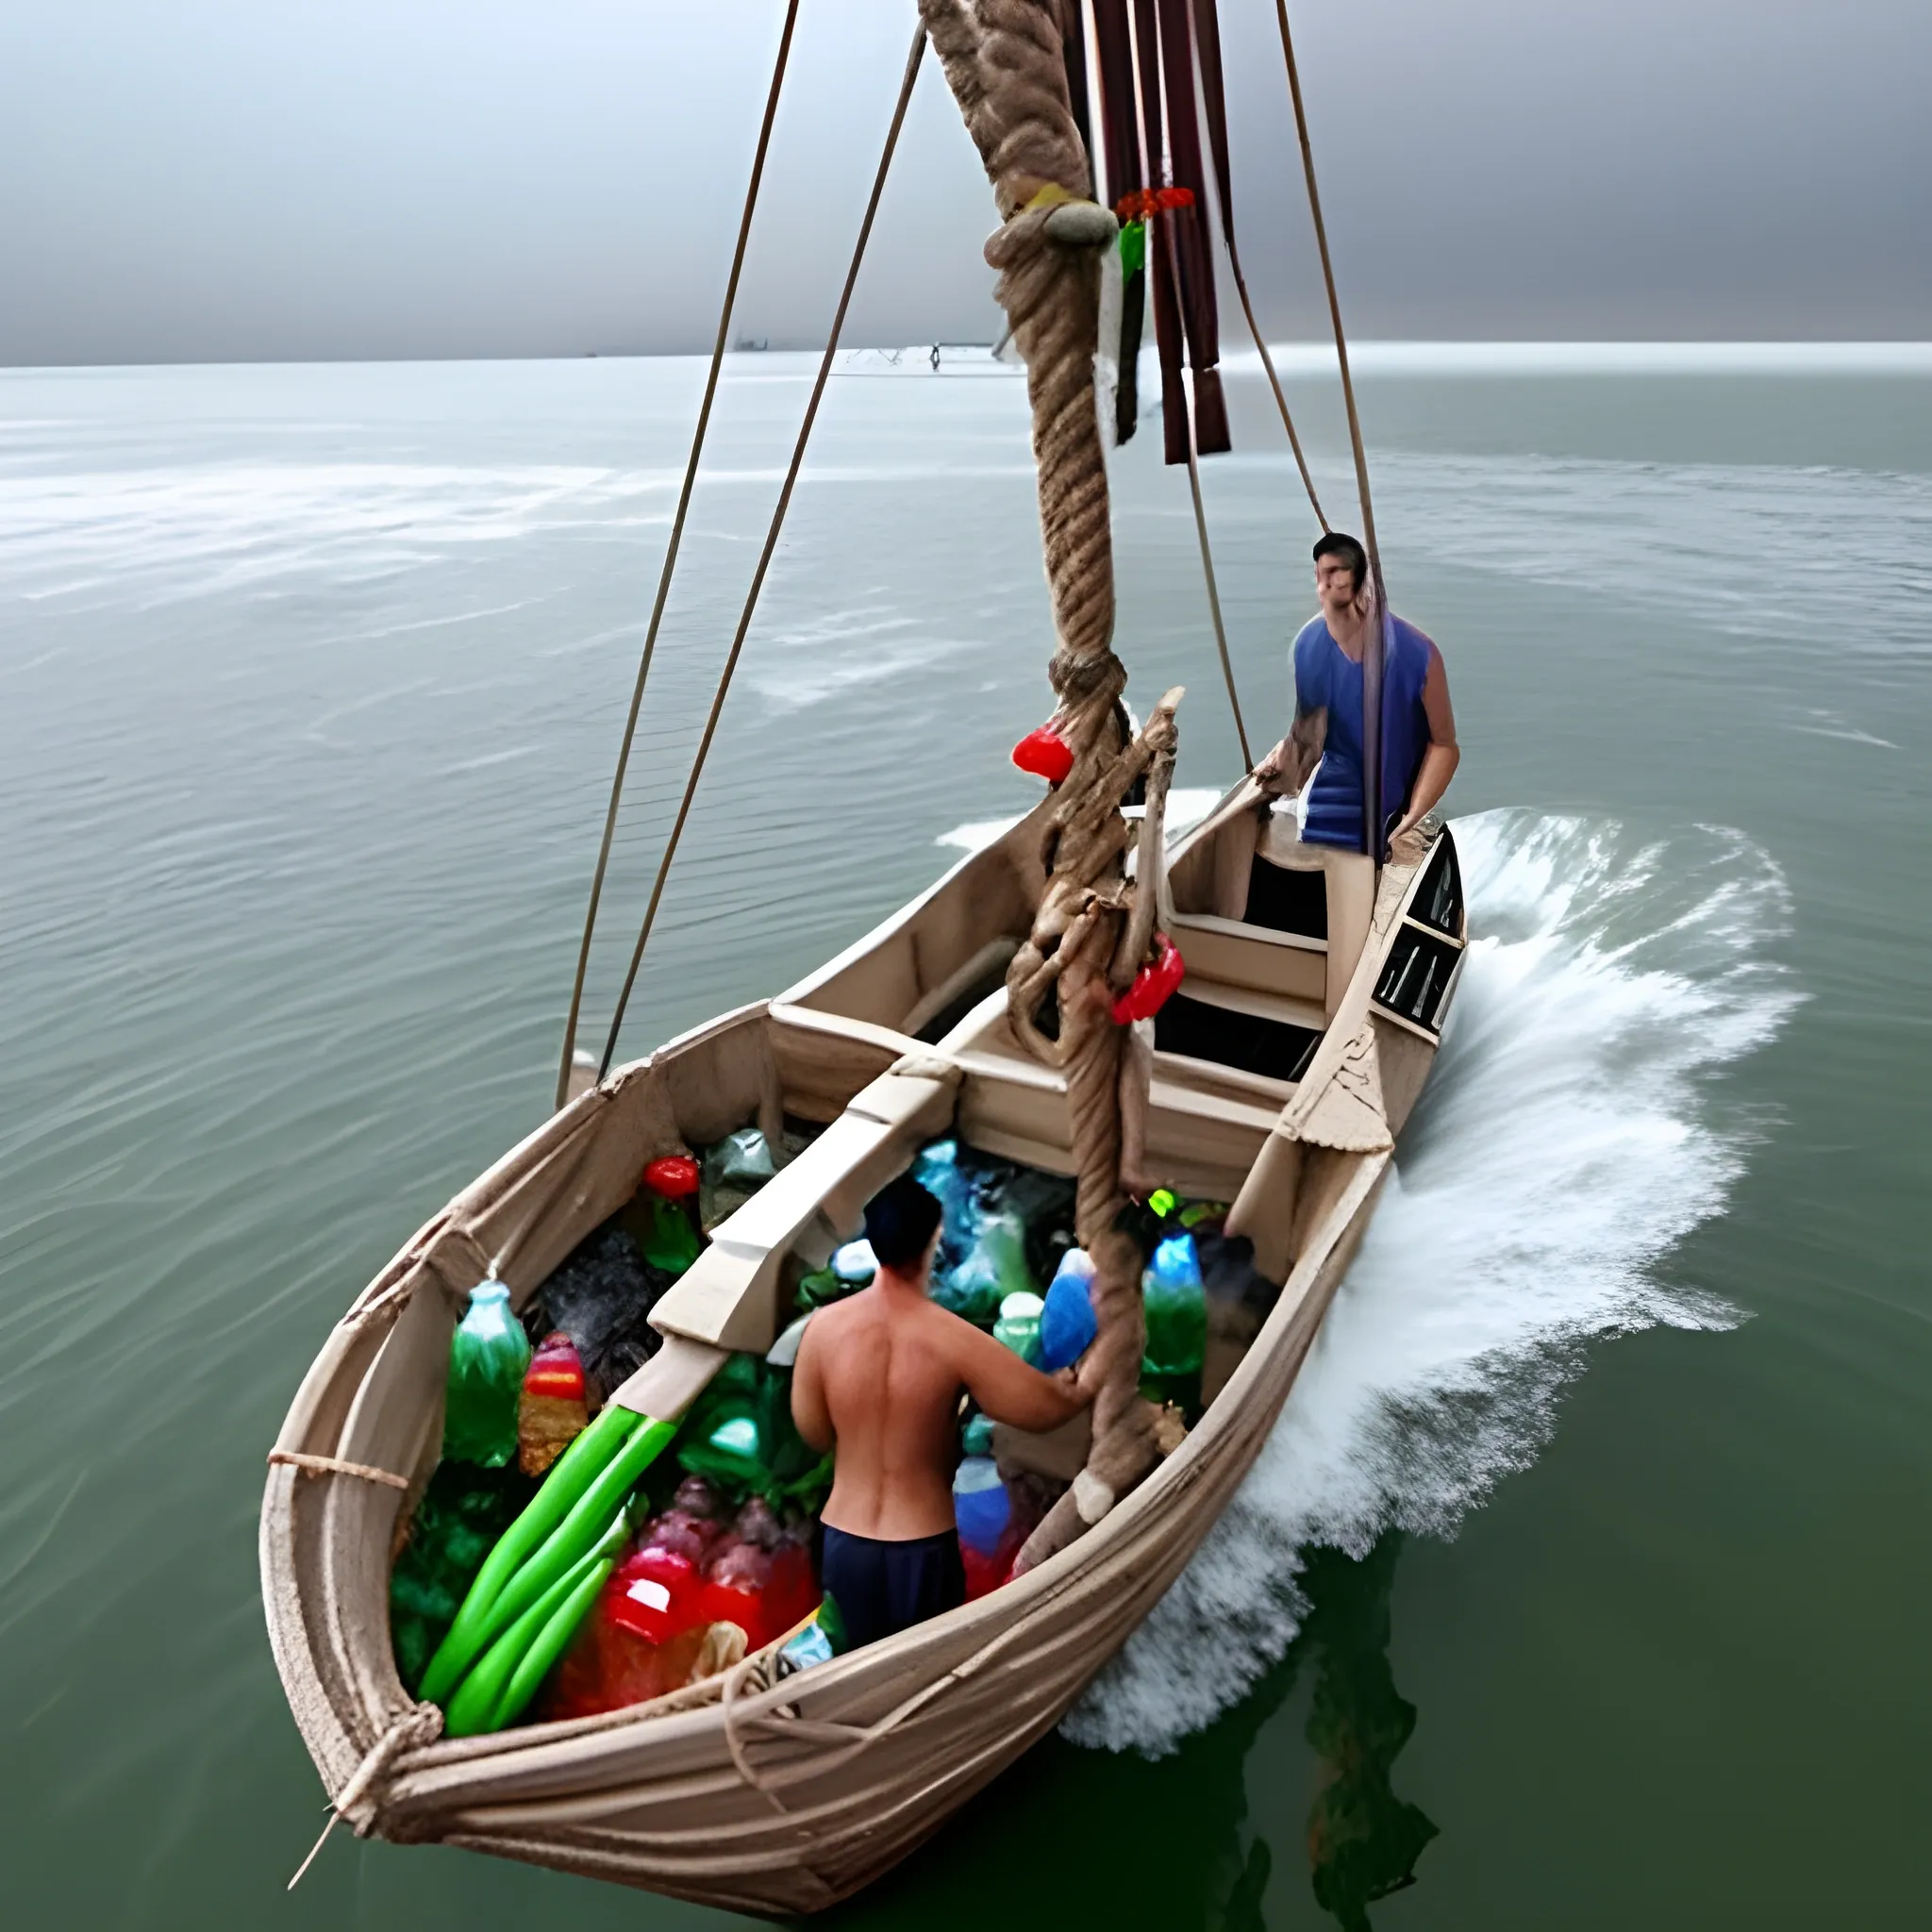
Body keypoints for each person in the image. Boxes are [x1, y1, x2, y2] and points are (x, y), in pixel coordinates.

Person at [791, 1174, 1093, 1650]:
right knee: (921, 1668)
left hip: (844, 1542)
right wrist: (1078, 1384)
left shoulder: (823, 1330)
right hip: (918, 1545)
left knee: (851, 1661)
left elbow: (813, 1433)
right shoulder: (953, 1339)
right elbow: (1041, 1410)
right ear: (935, 1241)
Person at [1254, 532, 1459, 858]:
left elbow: (1444, 746)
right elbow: (1307, 734)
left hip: (1393, 802)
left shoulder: (1419, 653)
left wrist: (1412, 817)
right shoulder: (1310, 644)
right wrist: (1281, 760)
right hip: (1328, 797)